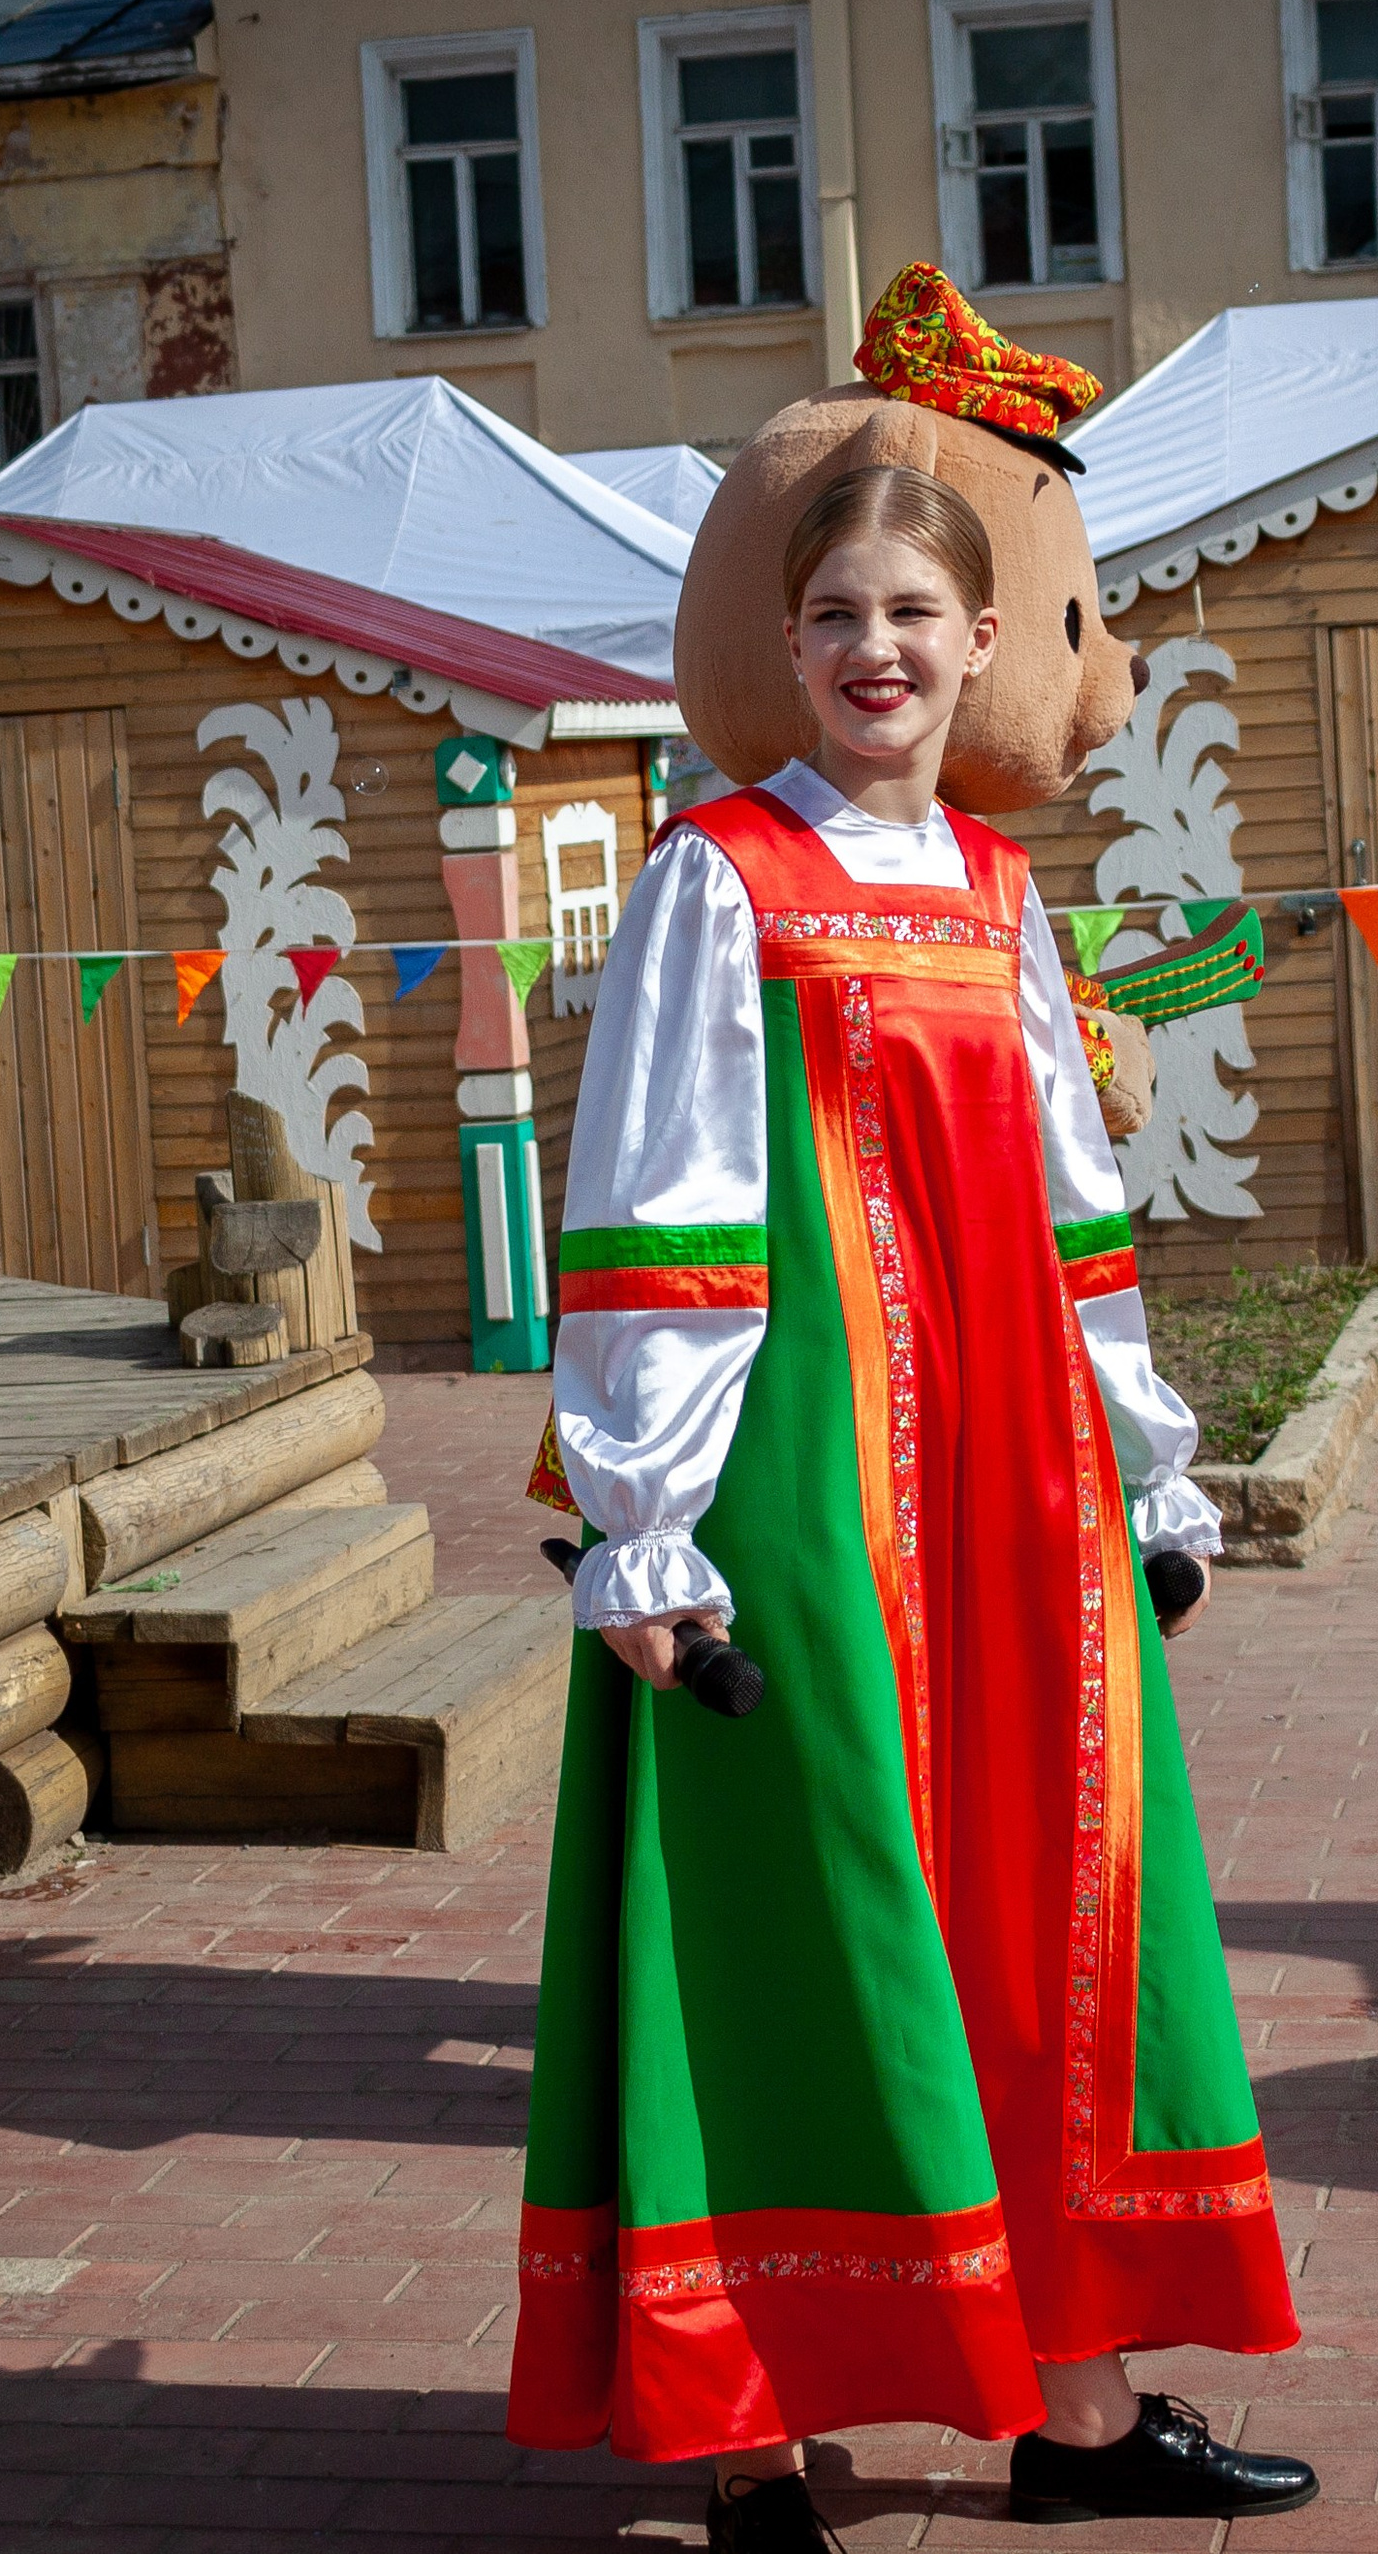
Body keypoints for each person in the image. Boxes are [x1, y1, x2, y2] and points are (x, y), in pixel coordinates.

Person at [508, 284, 1308, 2554]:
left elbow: (1075, 1207)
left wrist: (1145, 1454)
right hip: (791, 1480)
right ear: (791, 640)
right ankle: (756, 2436)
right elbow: (658, 1214)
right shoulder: (712, 880)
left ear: (982, 647)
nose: (877, 648)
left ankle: (1072, 2413)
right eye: (838, 612)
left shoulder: (994, 888)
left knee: (1055, 1918)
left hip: (1016, 1485)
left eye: (916, 614)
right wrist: (641, 1526)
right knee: (802, 1916)